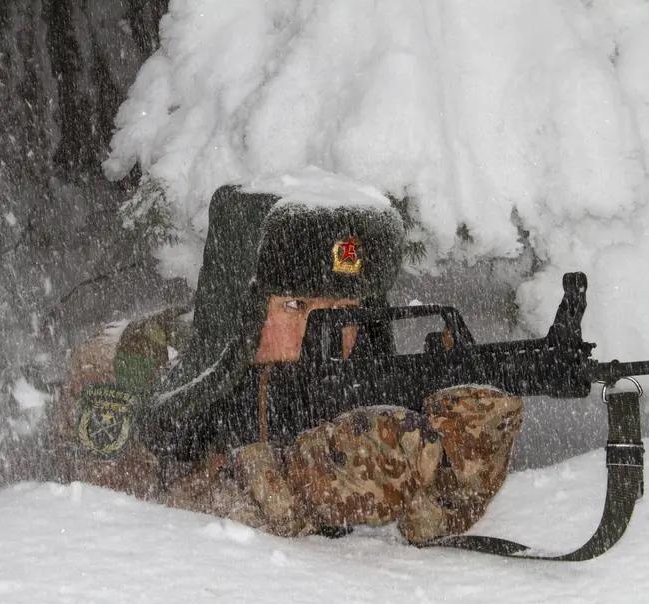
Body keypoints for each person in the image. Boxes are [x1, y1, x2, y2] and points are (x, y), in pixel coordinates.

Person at [57, 178, 523, 544]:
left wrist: (456, 469)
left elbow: (412, 532)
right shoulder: (134, 359)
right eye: (296, 307)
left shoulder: (365, 370)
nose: (320, 332)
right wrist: (303, 479)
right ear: (242, 304)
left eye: (343, 311)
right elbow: (109, 525)